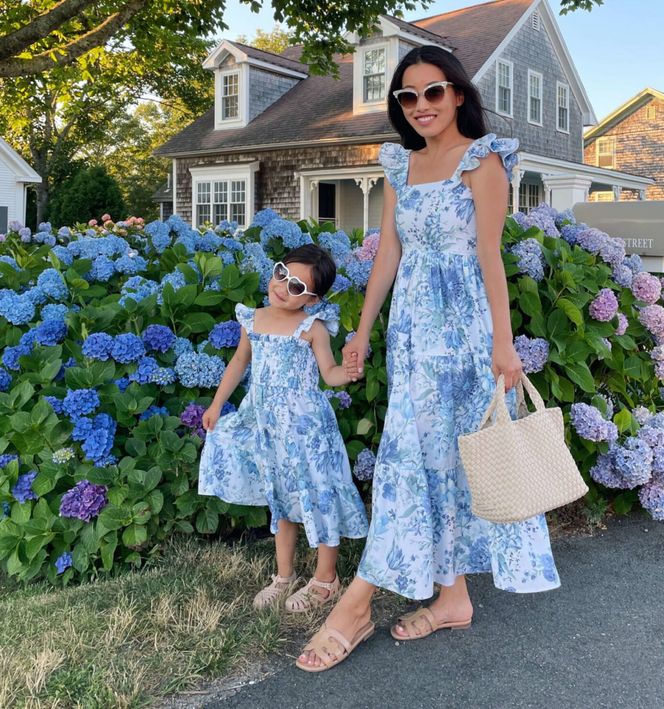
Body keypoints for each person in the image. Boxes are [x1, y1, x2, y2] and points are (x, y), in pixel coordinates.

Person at [297, 45, 560, 672]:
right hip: (414, 334)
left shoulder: (483, 160)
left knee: (440, 456)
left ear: (458, 94)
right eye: (407, 97)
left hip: (464, 335)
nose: (420, 107)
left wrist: (503, 344)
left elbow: (491, 257)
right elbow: (388, 252)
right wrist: (361, 331)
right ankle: (453, 599)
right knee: (425, 455)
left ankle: (358, 603)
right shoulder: (400, 165)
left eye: (432, 92)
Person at [198, 243, 368, 612]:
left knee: (319, 493)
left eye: (295, 287)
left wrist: (349, 372)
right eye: (281, 273)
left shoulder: (313, 327)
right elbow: (239, 363)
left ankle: (326, 579)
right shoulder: (253, 319)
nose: (282, 286)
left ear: (312, 299)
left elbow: (329, 374)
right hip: (268, 425)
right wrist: (216, 404)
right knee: (281, 496)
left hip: (306, 428)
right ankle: (284, 576)